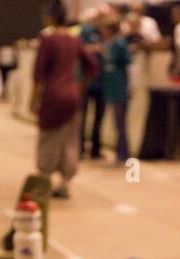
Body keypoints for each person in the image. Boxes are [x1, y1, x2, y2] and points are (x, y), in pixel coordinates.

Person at [32, 1, 97, 200]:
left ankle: (45, 179)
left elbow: (38, 74)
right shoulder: (74, 40)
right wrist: (79, 86)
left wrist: (33, 99)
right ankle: (65, 182)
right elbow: (92, 66)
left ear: (50, 17)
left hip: (53, 95)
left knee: (49, 139)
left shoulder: (48, 40)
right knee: (70, 140)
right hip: (72, 96)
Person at [99, 14, 132, 163]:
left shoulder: (120, 43)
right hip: (111, 86)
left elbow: (128, 66)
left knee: (120, 122)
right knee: (115, 122)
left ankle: (124, 153)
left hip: (120, 86)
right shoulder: (108, 43)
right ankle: (120, 151)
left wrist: (130, 86)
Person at [78, 9, 107, 160]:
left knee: (99, 117)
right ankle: (80, 148)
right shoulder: (85, 31)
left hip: (102, 83)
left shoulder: (106, 33)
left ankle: (96, 149)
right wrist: (95, 49)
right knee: (82, 116)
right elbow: (80, 49)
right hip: (87, 81)